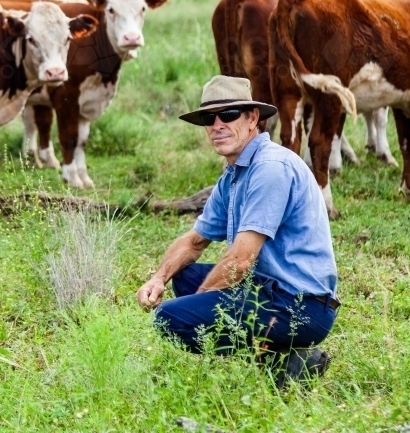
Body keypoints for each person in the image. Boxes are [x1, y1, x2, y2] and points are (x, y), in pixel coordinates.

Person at [136, 75, 339, 385]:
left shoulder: (270, 167)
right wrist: (158, 278)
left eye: (228, 114)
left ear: (252, 118)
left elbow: (241, 260)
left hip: (301, 307)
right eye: (209, 117)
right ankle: (282, 356)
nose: (217, 124)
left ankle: (284, 361)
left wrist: (201, 306)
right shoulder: (234, 173)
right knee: (184, 275)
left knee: (169, 318)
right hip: (269, 291)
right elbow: (194, 241)